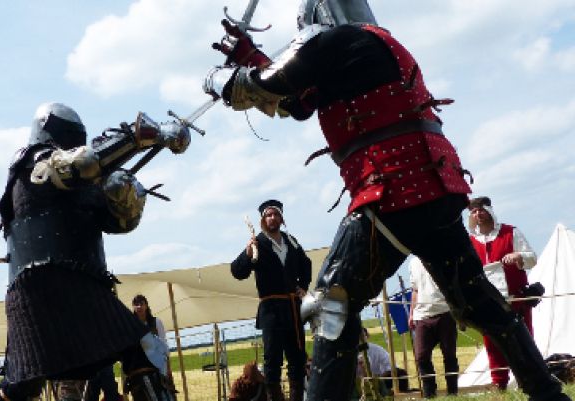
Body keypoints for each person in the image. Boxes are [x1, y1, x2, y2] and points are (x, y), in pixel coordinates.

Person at [203, 1, 570, 400]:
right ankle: (547, 392)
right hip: (433, 187)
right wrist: (247, 55)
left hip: (391, 189)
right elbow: (300, 101)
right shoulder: (371, 44)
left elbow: (265, 86)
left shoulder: (339, 40)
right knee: (477, 301)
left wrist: (220, 78)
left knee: (331, 303)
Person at [0, 102, 189, 401]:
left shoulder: (81, 184)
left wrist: (125, 194)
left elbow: (117, 223)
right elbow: (81, 164)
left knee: (142, 351)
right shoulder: (33, 163)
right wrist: (141, 136)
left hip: (81, 283)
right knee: (22, 385)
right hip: (41, 286)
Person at [231, 200, 312, 401]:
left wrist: (303, 286)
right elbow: (237, 271)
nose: (272, 218)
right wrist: (248, 254)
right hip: (271, 311)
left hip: (293, 308)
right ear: (263, 220)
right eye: (269, 215)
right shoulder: (258, 243)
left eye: (276, 214)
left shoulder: (291, 241)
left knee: (297, 359)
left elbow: (306, 264)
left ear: (281, 218)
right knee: (272, 361)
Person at [468, 196, 538, 390]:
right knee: (492, 344)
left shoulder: (510, 232)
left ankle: (529, 382)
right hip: (488, 302)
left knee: (522, 340)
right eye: (473, 211)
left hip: (516, 298)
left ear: (489, 211)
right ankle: (499, 384)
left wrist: (519, 256)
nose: (478, 214)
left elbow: (532, 258)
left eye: (481, 210)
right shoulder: (470, 241)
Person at [408, 257, 458, 397]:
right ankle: (430, 394)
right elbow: (415, 290)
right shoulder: (413, 262)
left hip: (445, 312)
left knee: (449, 354)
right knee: (421, 357)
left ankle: (453, 393)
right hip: (422, 315)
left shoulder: (439, 254)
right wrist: (412, 313)